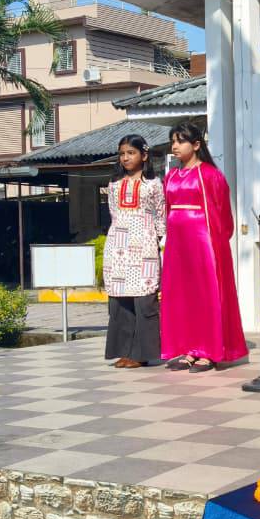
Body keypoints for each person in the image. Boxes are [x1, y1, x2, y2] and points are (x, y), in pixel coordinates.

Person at [160, 121, 247, 372]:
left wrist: (216, 244)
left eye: (181, 141)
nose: (175, 146)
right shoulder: (171, 176)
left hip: (203, 242)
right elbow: (167, 209)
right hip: (178, 244)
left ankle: (208, 351)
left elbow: (223, 214)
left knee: (206, 294)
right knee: (182, 294)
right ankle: (188, 348)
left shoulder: (210, 174)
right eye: (173, 141)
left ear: (196, 144)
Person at [103, 134, 165, 368]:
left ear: (144, 155)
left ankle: (142, 354)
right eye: (122, 154)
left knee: (144, 300)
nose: (126, 158)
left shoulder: (154, 184)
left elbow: (161, 215)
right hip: (118, 246)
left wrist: (158, 241)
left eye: (131, 153)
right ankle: (124, 352)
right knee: (120, 301)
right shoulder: (114, 184)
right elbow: (114, 214)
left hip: (145, 246)